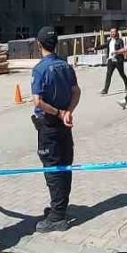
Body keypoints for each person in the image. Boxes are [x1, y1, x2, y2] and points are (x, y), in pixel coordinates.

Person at [29, 27, 81, 232]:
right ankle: (59, 207)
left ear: (38, 45)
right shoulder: (65, 66)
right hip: (63, 124)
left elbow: (38, 101)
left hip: (50, 124)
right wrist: (69, 111)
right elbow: (76, 91)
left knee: (52, 168)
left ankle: (58, 216)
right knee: (64, 165)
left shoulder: (40, 69)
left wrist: (59, 112)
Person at [99, 27, 127, 95]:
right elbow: (103, 46)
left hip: (118, 60)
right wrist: (94, 48)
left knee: (122, 74)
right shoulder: (109, 40)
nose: (112, 33)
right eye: (111, 32)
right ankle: (105, 90)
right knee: (108, 75)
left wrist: (118, 53)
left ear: (116, 33)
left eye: (114, 32)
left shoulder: (120, 40)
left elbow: (122, 49)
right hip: (111, 60)